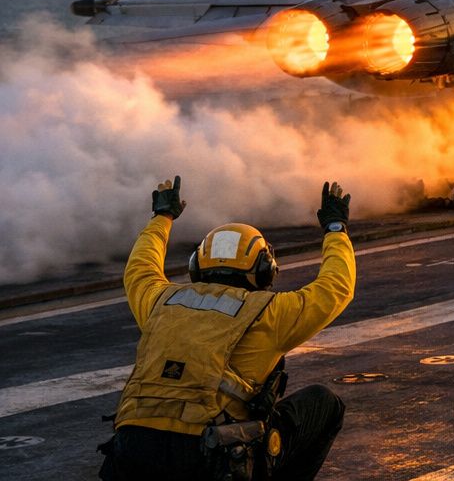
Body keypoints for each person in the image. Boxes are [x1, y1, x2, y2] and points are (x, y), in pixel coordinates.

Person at [99, 176, 357, 481]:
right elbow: (336, 286)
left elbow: (140, 267)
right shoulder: (270, 312)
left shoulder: (160, 301)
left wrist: (162, 217)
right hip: (208, 455)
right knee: (323, 404)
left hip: (132, 449)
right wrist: (335, 228)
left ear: (198, 266)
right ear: (264, 270)